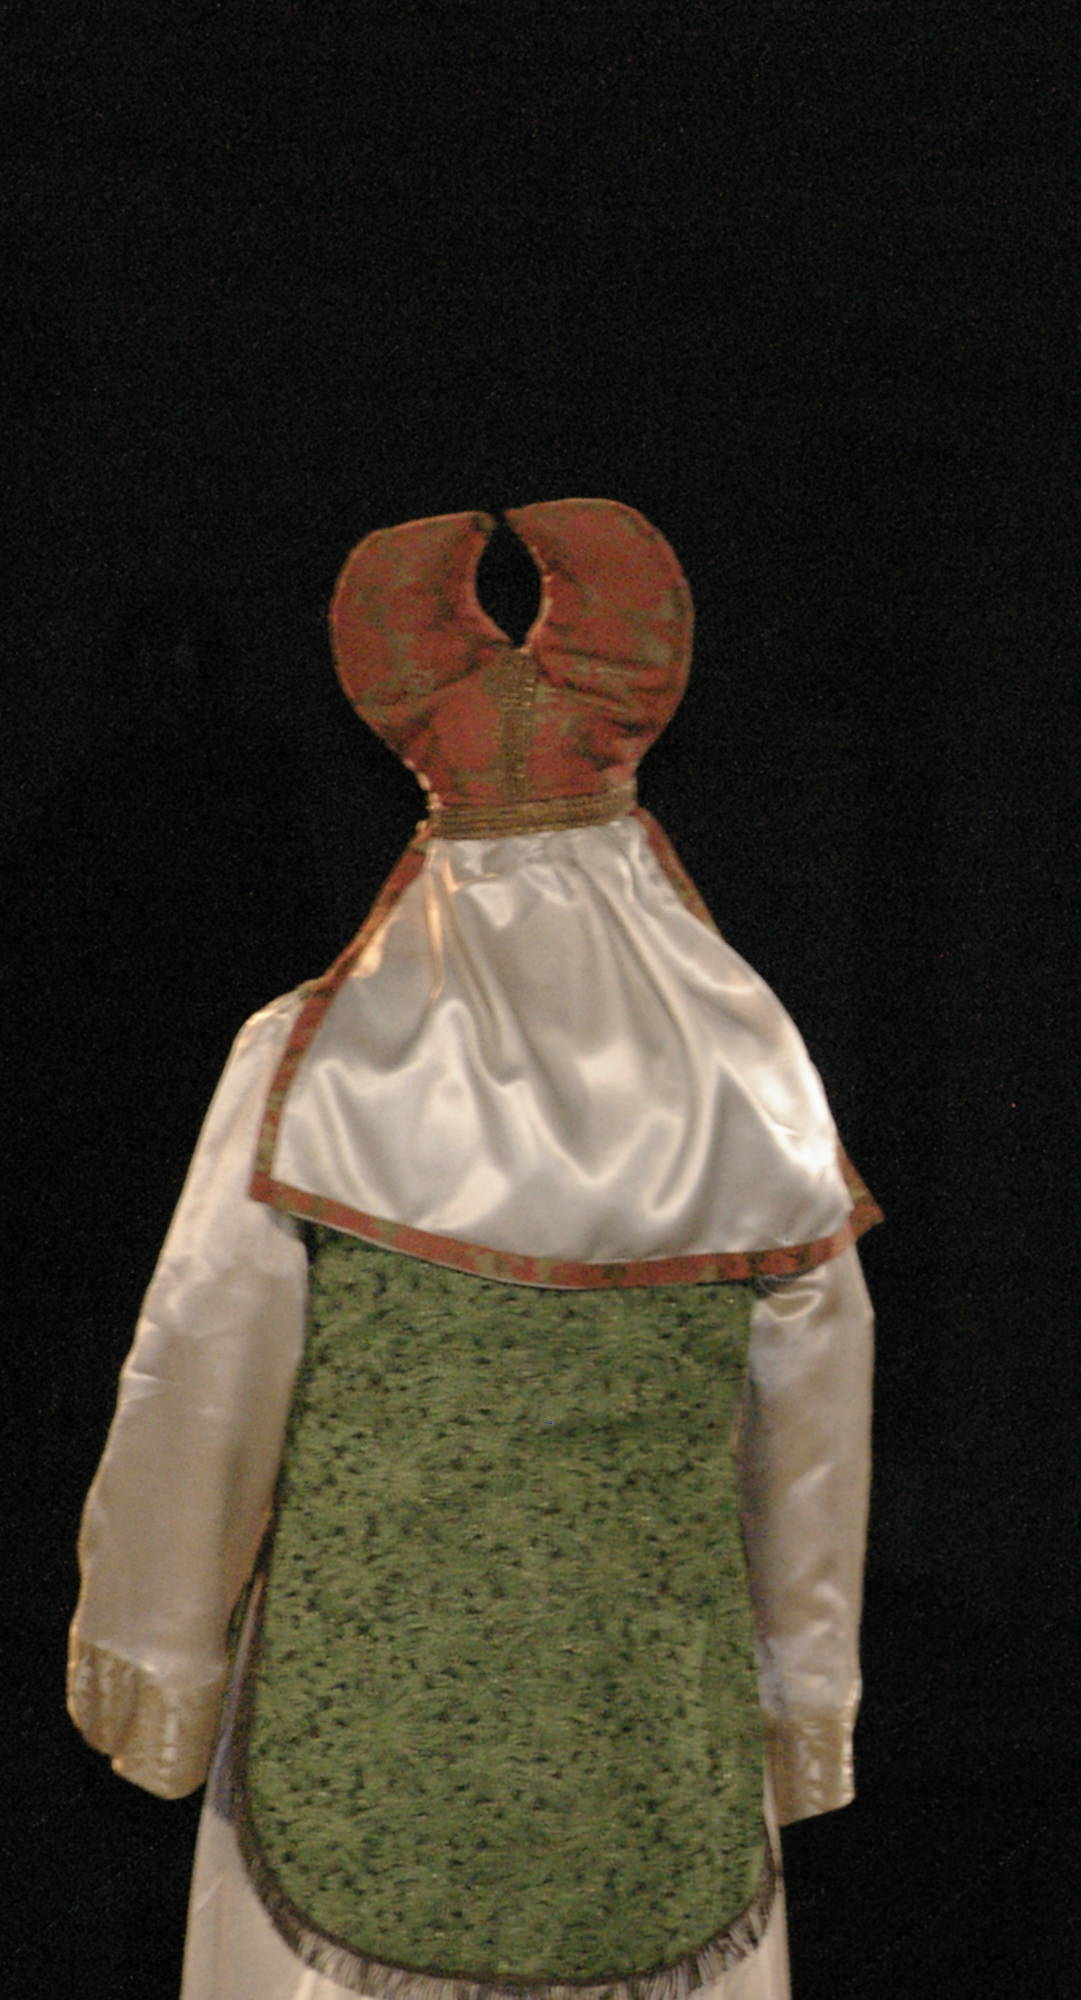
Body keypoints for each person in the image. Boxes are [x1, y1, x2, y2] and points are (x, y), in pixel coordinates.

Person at [68, 499, 878, 2000]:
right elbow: (814, 1433)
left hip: (356, 1711)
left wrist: (159, 1660)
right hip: (656, 1718)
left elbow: (200, 1380)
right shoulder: (751, 1072)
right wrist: (799, 1699)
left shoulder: (313, 1060)